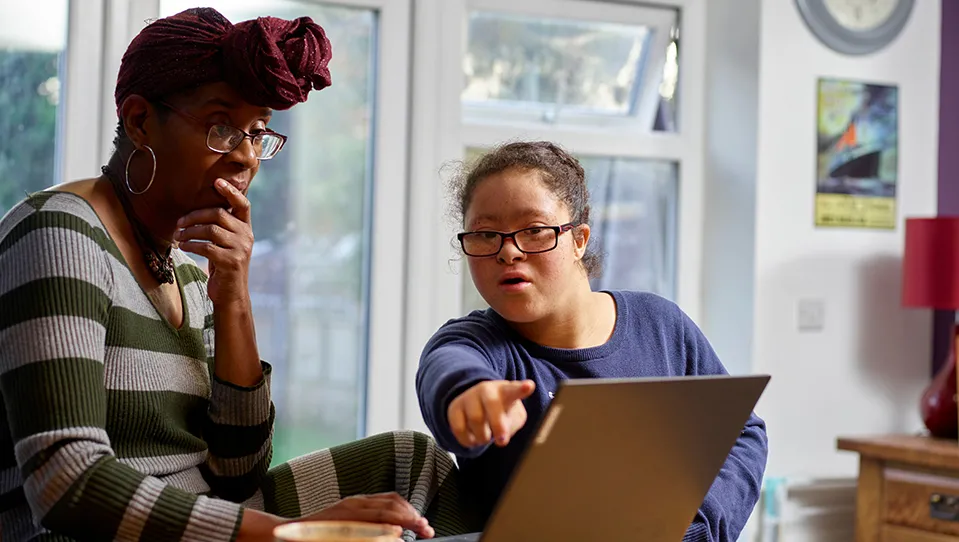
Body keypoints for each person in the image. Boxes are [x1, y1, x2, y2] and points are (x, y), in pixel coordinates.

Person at [0, 8, 476, 542]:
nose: (247, 156)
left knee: (413, 460)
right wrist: (284, 535)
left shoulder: (187, 267)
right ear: (139, 121)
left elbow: (237, 472)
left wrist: (233, 298)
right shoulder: (59, 233)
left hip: (203, 513)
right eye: (221, 128)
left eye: (257, 132)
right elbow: (66, 482)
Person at [416, 141, 768, 542]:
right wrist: (469, 395)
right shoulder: (473, 342)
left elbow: (741, 435)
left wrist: (696, 529)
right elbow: (448, 366)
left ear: (579, 240)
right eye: (484, 234)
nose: (508, 251)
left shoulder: (662, 325)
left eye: (534, 230)